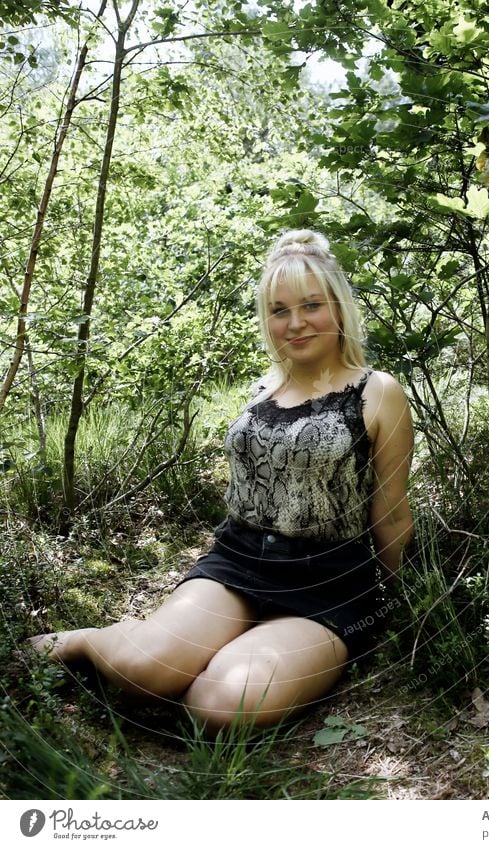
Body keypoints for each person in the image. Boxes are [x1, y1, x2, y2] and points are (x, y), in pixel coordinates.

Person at [30, 229, 414, 732]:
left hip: (328, 586)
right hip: (237, 564)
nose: (295, 323)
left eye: (311, 305)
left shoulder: (377, 391)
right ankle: (87, 639)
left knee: (220, 705)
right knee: (146, 669)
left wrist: (394, 602)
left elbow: (390, 513)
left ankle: (242, 653)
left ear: (338, 307)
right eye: (279, 310)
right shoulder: (261, 390)